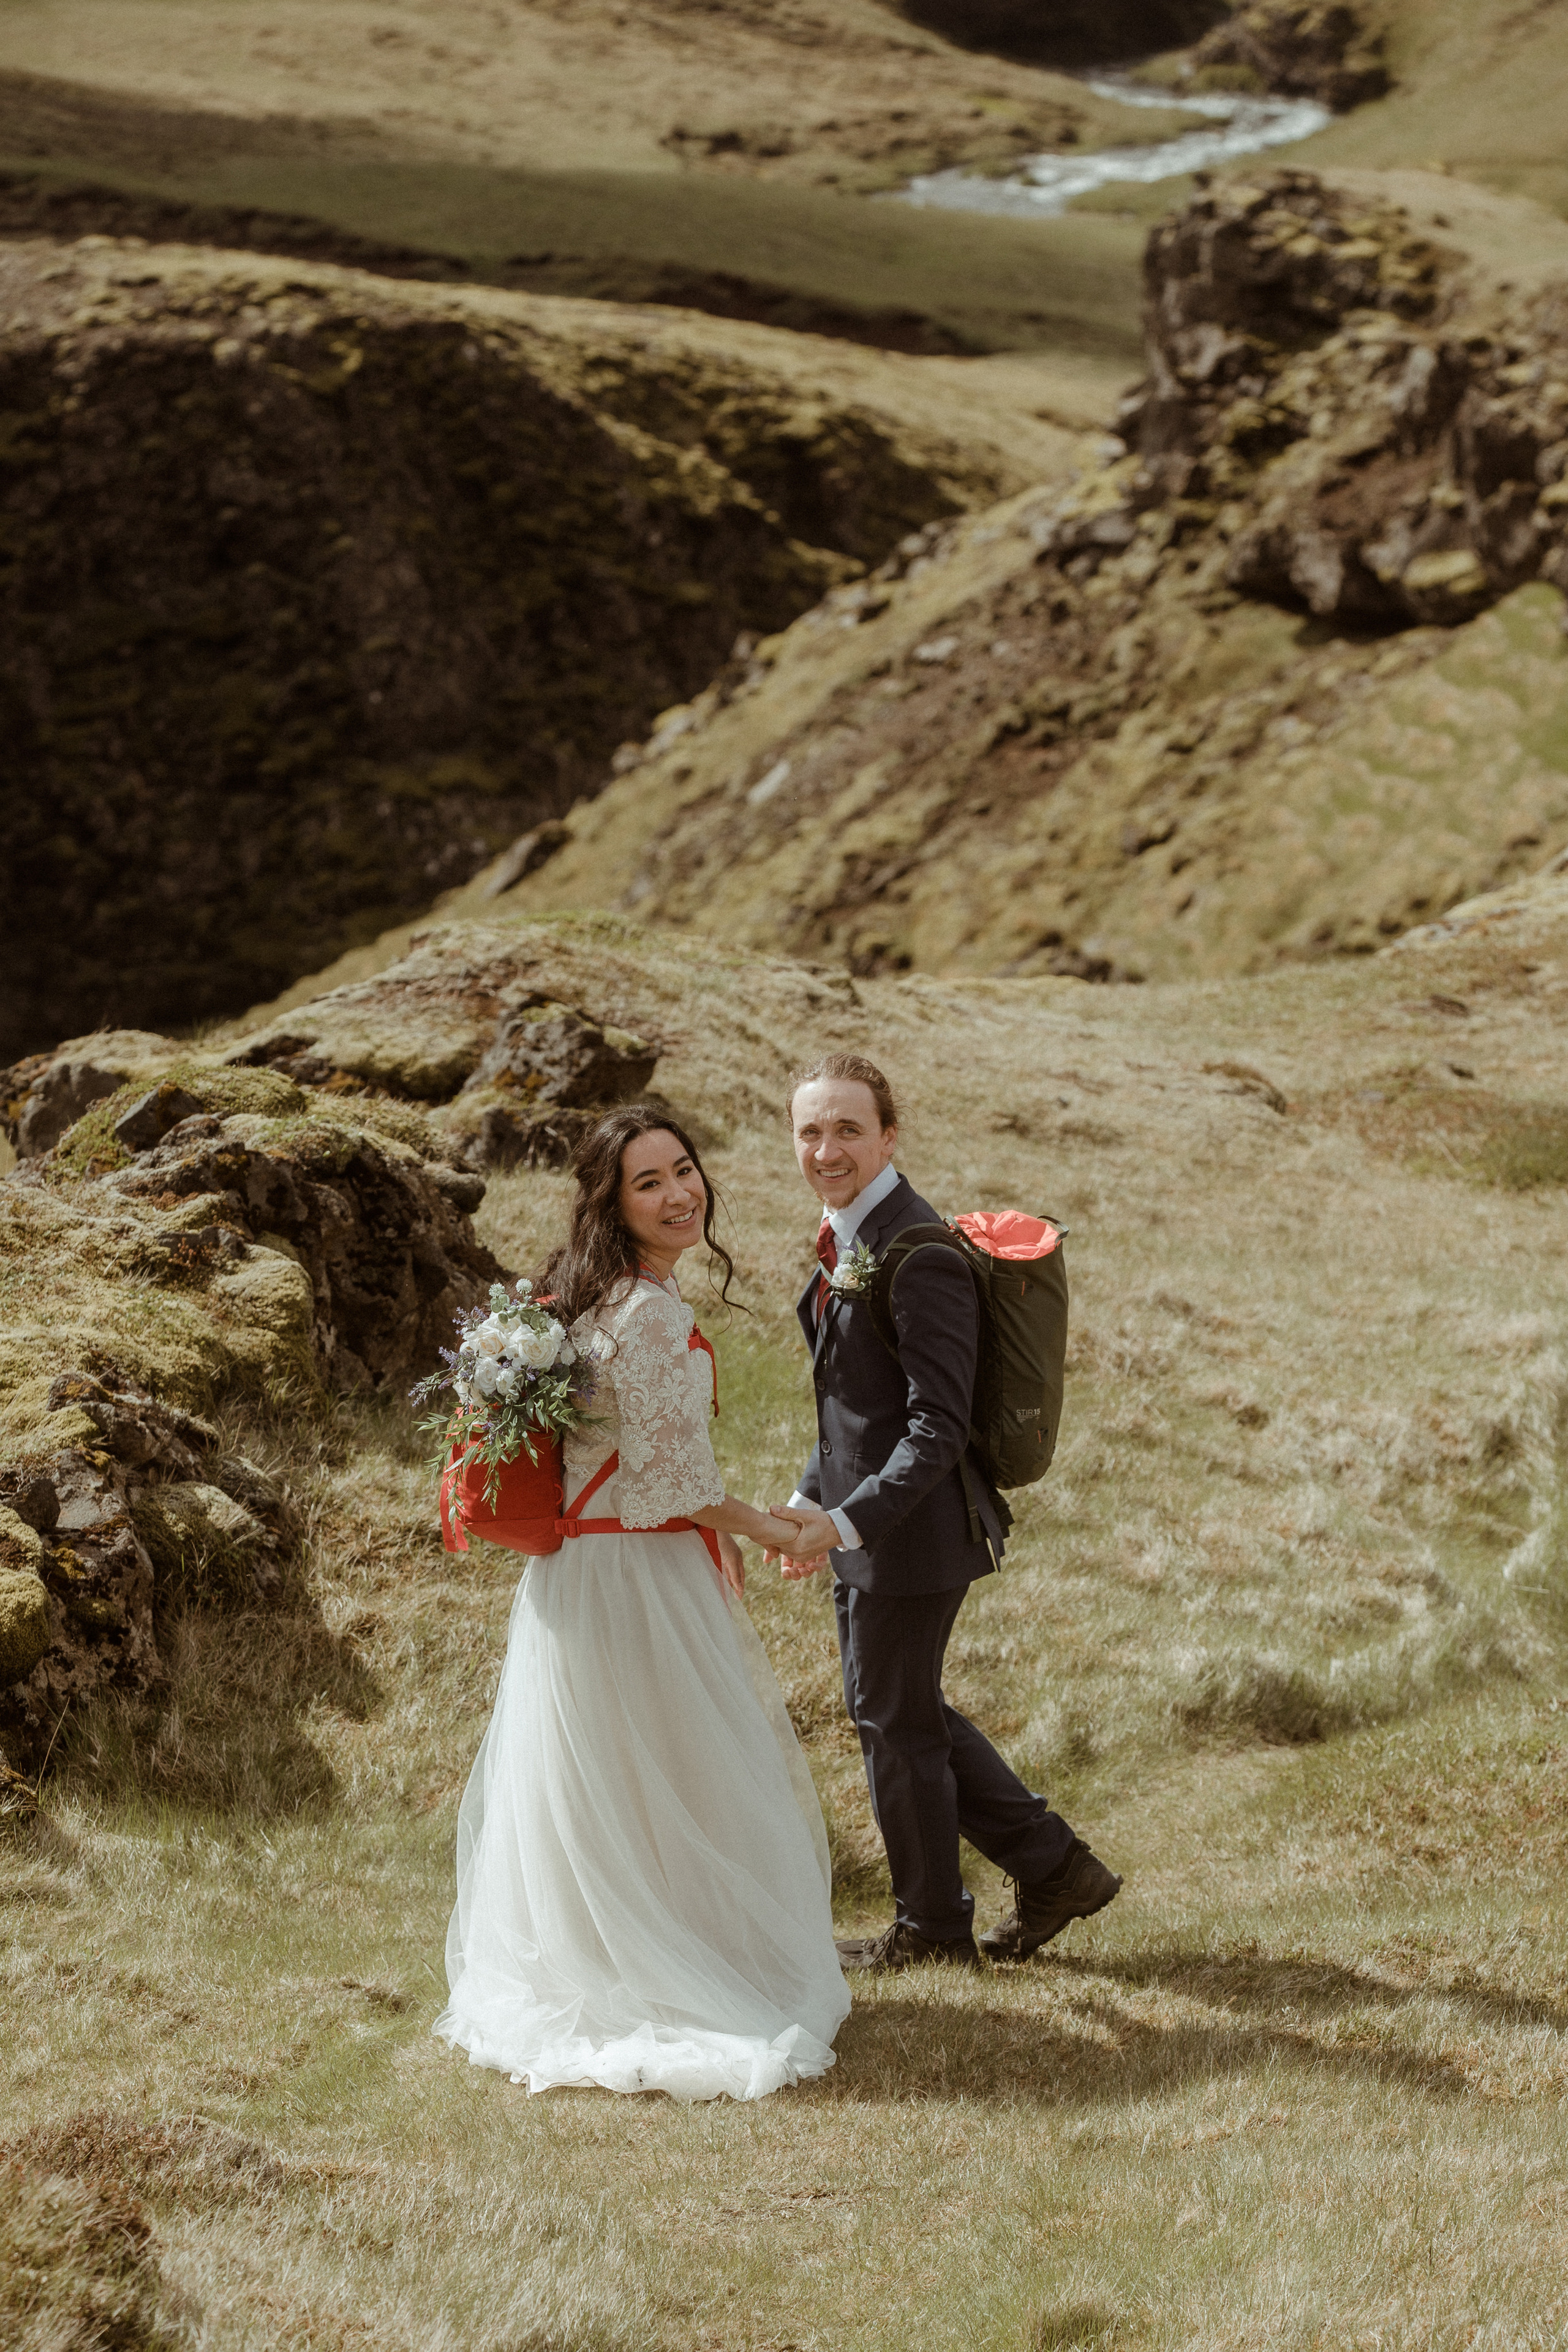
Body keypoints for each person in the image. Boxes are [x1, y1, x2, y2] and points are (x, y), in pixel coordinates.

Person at [433, 1103, 850, 2101]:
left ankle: (615, 1956)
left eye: (684, 1171)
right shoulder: (651, 1313)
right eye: (649, 1183)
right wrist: (772, 1525)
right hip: (636, 1573)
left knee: (612, 1773)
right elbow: (670, 1484)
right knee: (676, 1762)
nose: (678, 1195)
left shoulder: (592, 1300)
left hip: (581, 1574)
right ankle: (675, 1969)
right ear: (612, 1205)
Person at [767, 1052, 1121, 1972]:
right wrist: (810, 1499)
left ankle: (932, 1926)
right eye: (811, 1130)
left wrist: (845, 1522)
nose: (827, 1146)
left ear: (889, 1135)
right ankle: (1056, 1870)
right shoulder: (850, 1235)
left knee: (894, 1719)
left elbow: (934, 1429)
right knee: (898, 1709)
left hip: (915, 1532)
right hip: (871, 1524)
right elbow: (853, 1407)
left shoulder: (917, 1252)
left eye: (848, 1127)